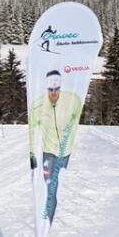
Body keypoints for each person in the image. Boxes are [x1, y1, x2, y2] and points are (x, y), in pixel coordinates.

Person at [28, 70, 83, 223]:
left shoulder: (73, 100)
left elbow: (78, 115)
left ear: (60, 87)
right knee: (50, 190)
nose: (53, 93)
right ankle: (48, 225)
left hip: (67, 153)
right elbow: (32, 130)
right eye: (50, 90)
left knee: (68, 189)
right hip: (49, 154)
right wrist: (32, 154)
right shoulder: (38, 105)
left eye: (56, 89)